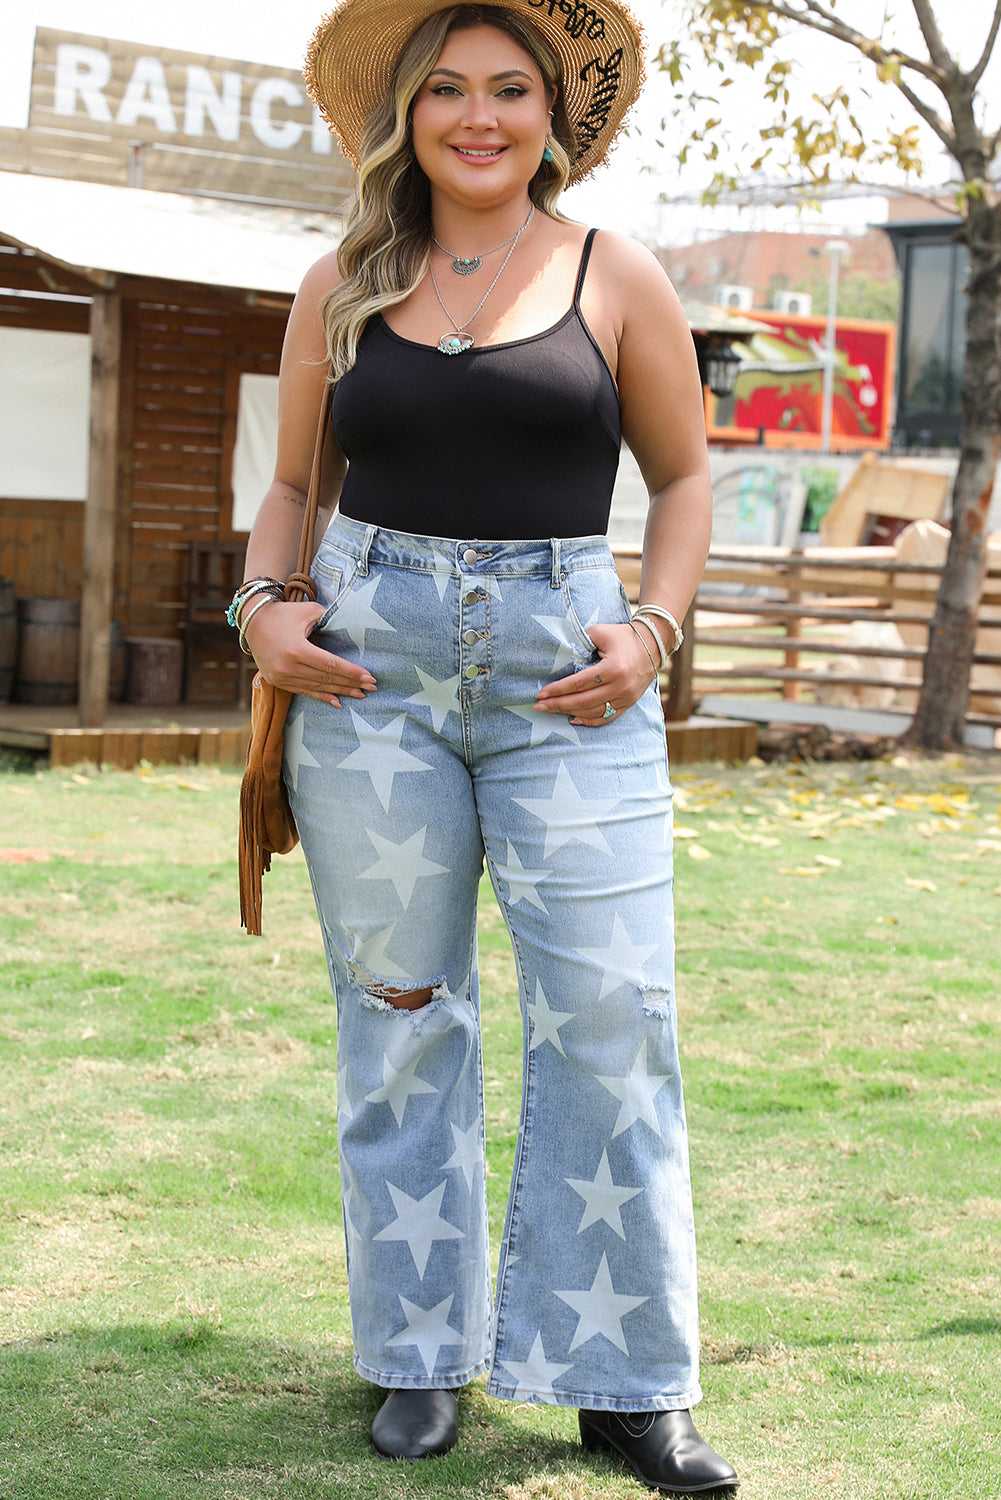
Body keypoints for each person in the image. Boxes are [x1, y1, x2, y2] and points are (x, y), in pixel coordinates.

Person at [238, 1, 739, 1490]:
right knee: (399, 1015)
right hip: (368, 676)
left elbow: (688, 475)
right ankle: (415, 1359)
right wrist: (264, 608)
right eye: (446, 89)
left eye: (509, 90)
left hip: (567, 680)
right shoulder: (341, 280)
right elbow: (288, 487)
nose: (478, 116)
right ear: (404, 112)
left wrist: (649, 627)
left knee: (612, 1019)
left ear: (552, 117)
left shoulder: (615, 273)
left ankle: (625, 1383)